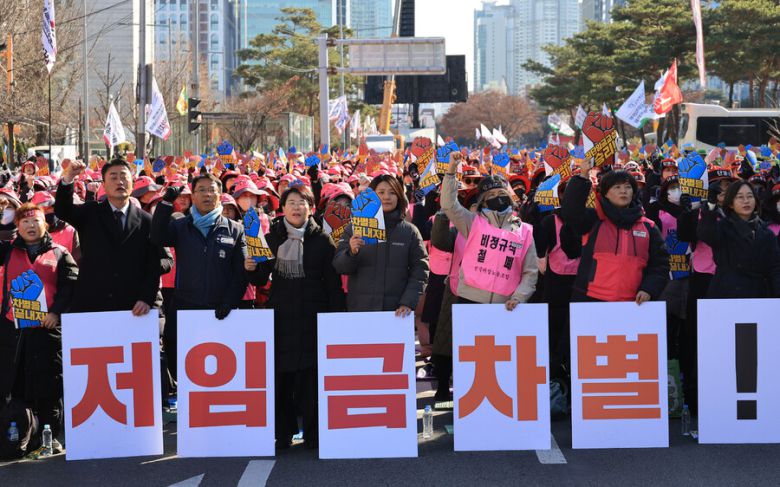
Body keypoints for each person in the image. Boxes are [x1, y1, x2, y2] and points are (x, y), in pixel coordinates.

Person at [245, 185, 344, 450]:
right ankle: (283, 433)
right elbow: (260, 277)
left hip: (313, 317)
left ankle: (313, 434)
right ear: (283, 207)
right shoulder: (272, 237)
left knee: (311, 380)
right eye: (291, 202)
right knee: (281, 379)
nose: (297, 207)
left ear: (310, 207)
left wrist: (336, 318)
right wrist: (251, 266)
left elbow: (332, 285)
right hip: (281, 316)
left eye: (302, 202)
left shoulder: (322, 240)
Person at [151, 174, 248, 377]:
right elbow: (157, 236)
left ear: (220, 195)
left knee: (219, 369)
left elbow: (240, 273)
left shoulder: (236, 230)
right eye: (201, 190)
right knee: (181, 364)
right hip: (185, 308)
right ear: (193, 196)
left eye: (212, 190)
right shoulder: (180, 227)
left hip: (221, 311)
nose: (207, 194)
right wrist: (166, 203)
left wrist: (230, 301)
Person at [0, 203, 78, 452]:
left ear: (46, 224)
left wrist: (57, 313)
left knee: (50, 385)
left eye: (35, 221)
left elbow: (71, 286)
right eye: (25, 222)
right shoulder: (7, 251)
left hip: (48, 329)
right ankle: (19, 436)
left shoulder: (60, 252)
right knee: (16, 385)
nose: (31, 226)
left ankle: (50, 435)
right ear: (17, 226)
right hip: (15, 330)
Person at [54, 158, 170, 315]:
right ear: (103, 184)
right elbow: (62, 210)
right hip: (93, 303)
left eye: (123, 176)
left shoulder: (147, 221)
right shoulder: (90, 213)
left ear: (133, 182)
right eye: (113, 177)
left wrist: (147, 298)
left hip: (134, 307)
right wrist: (69, 179)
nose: (119, 182)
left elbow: (157, 263)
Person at [440, 152, 539, 311]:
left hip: (506, 305)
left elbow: (530, 272)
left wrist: (518, 298)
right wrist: (451, 170)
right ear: (483, 201)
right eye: (491, 195)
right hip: (469, 301)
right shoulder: (473, 223)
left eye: (501, 193)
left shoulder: (524, 231)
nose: (497, 197)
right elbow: (449, 205)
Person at [561, 158, 669, 303]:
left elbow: (660, 265)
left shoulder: (648, 227)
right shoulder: (594, 220)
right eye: (617, 187)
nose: (623, 191)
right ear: (605, 193)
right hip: (590, 300)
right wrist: (582, 177)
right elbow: (571, 212)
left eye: (628, 187)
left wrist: (649, 289)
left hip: (633, 304)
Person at [332, 174, 429, 315]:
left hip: (397, 313)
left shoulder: (409, 232)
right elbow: (340, 266)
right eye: (381, 192)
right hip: (361, 310)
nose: (386, 197)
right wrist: (351, 252)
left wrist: (407, 302)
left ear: (400, 197)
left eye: (392, 193)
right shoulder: (354, 228)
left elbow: (420, 270)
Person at [698, 180, 780, 298]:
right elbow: (705, 234)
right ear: (731, 203)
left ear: (755, 201)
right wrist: (710, 205)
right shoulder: (722, 228)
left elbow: (775, 268)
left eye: (750, 196)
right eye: (740, 197)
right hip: (725, 294)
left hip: (757, 296)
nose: (746, 201)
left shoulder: (767, 234)